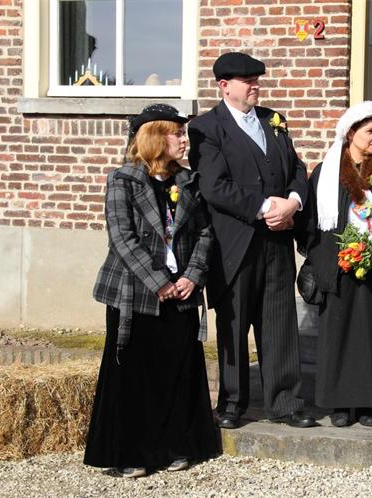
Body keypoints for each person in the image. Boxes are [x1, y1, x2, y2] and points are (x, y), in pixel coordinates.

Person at [85, 103, 220, 478]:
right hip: (137, 290)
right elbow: (122, 239)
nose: (184, 141)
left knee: (176, 370)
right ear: (156, 137)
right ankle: (133, 454)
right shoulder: (123, 180)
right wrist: (158, 282)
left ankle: (177, 447)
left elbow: (205, 234)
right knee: (135, 375)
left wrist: (192, 276)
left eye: (183, 133)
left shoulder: (187, 181)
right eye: (178, 134)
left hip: (182, 290)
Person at [188, 52, 315, 429]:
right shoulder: (206, 128)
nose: (255, 86)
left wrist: (293, 202)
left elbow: (297, 170)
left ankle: (286, 402)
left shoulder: (274, 121)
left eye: (257, 80)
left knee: (279, 322)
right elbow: (214, 186)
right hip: (235, 243)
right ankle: (231, 403)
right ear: (224, 86)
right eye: (247, 81)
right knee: (234, 323)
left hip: (277, 241)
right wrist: (264, 207)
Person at [299, 100, 372, 427]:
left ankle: (367, 405)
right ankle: (340, 405)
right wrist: (325, 257)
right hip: (340, 268)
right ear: (351, 133)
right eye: (370, 131)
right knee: (340, 338)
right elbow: (310, 222)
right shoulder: (326, 174)